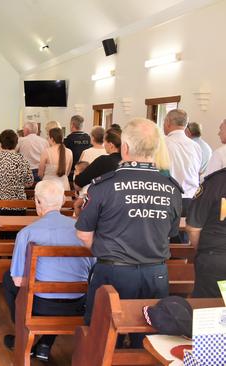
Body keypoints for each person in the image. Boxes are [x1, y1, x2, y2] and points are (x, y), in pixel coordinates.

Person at [76, 118, 183, 347]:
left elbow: (84, 234)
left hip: (114, 272)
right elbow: (170, 232)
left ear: (124, 148)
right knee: (149, 340)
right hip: (156, 274)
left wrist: (105, 252)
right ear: (155, 149)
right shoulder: (172, 189)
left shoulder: (104, 186)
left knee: (102, 337)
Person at [2, 180, 93, 361]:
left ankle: (23, 332)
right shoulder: (83, 231)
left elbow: (18, 280)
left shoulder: (27, 233)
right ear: (62, 202)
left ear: (37, 202)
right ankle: (45, 344)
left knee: (9, 278)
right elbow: (93, 269)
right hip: (78, 304)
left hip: (40, 304)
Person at [186, 167, 226, 298]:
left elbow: (193, 228)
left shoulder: (216, 181)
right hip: (216, 258)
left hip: (215, 259)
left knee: (210, 311)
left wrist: (203, 250)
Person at [0, 129, 33, 216]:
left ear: (0, 144)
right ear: (16, 144)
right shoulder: (23, 160)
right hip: (17, 209)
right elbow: (29, 182)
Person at [164, 109, 202, 213]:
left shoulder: (163, 144)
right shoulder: (196, 146)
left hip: (168, 198)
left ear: (167, 122)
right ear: (185, 124)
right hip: (192, 199)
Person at [64, 115, 91, 179]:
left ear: (72, 125)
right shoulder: (88, 137)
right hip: (86, 169)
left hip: (73, 170)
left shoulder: (68, 139)